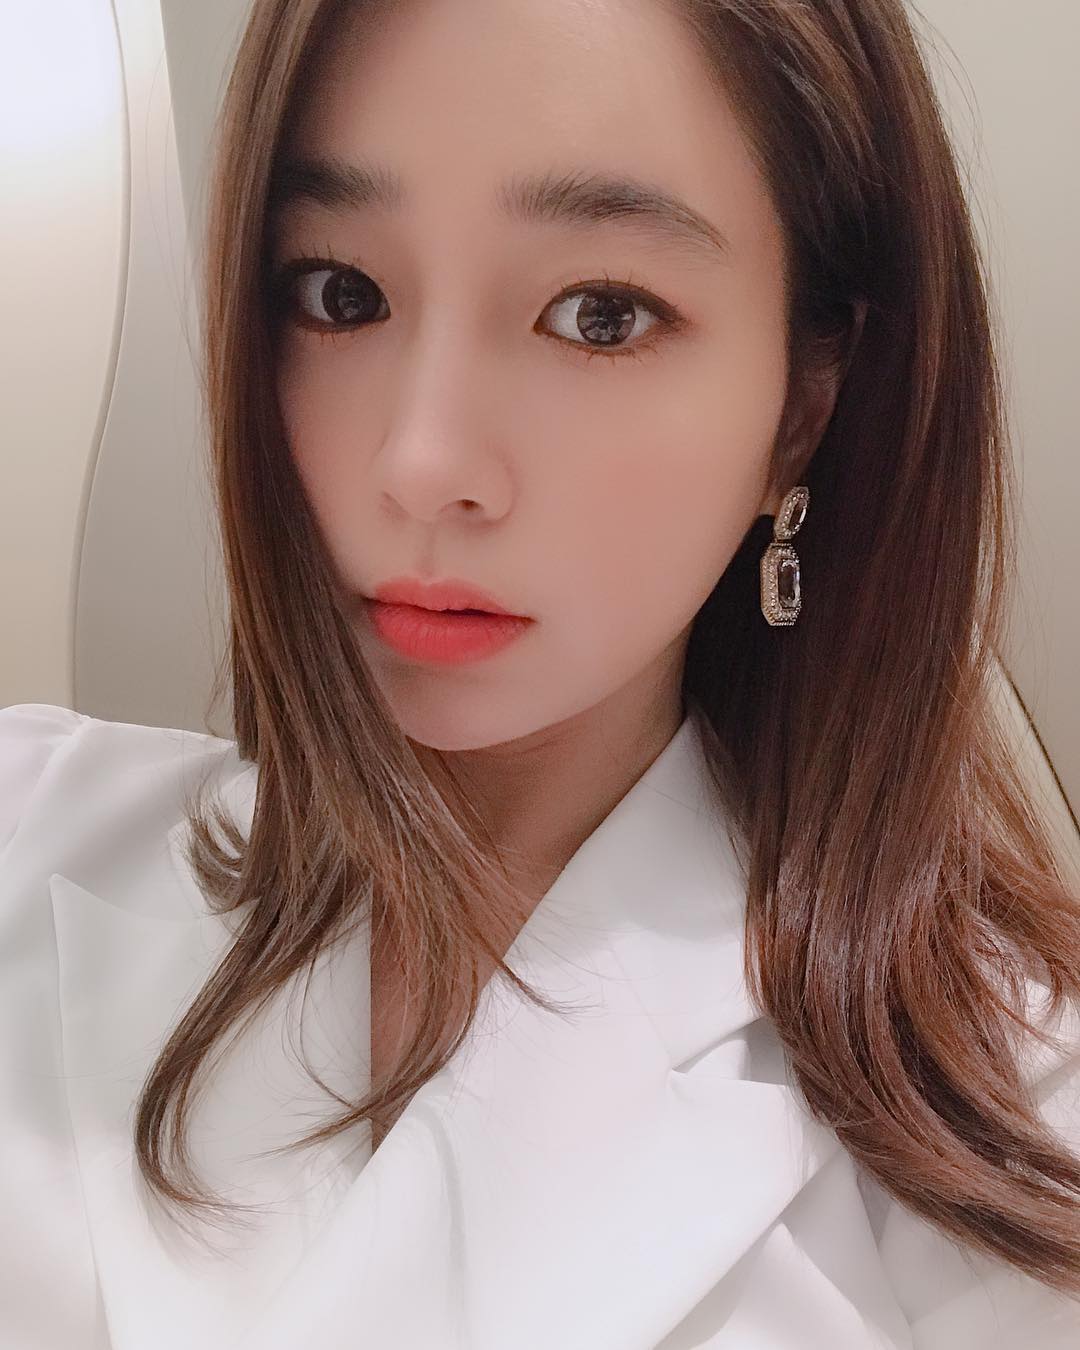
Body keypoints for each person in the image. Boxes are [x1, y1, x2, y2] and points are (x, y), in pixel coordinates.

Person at [2, 0, 1079, 1345]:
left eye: (600, 315)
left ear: (805, 404)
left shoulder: (1022, 1143)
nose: (422, 464)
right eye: (341, 294)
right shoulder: (28, 822)